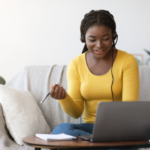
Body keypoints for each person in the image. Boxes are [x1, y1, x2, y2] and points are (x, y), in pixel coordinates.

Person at [50, 9, 139, 150]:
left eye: (105, 38)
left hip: (119, 130)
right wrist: (63, 98)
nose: (99, 45)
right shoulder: (75, 64)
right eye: (92, 39)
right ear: (83, 38)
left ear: (113, 36)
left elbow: (129, 109)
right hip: (90, 129)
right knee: (60, 130)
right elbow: (76, 112)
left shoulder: (127, 61)